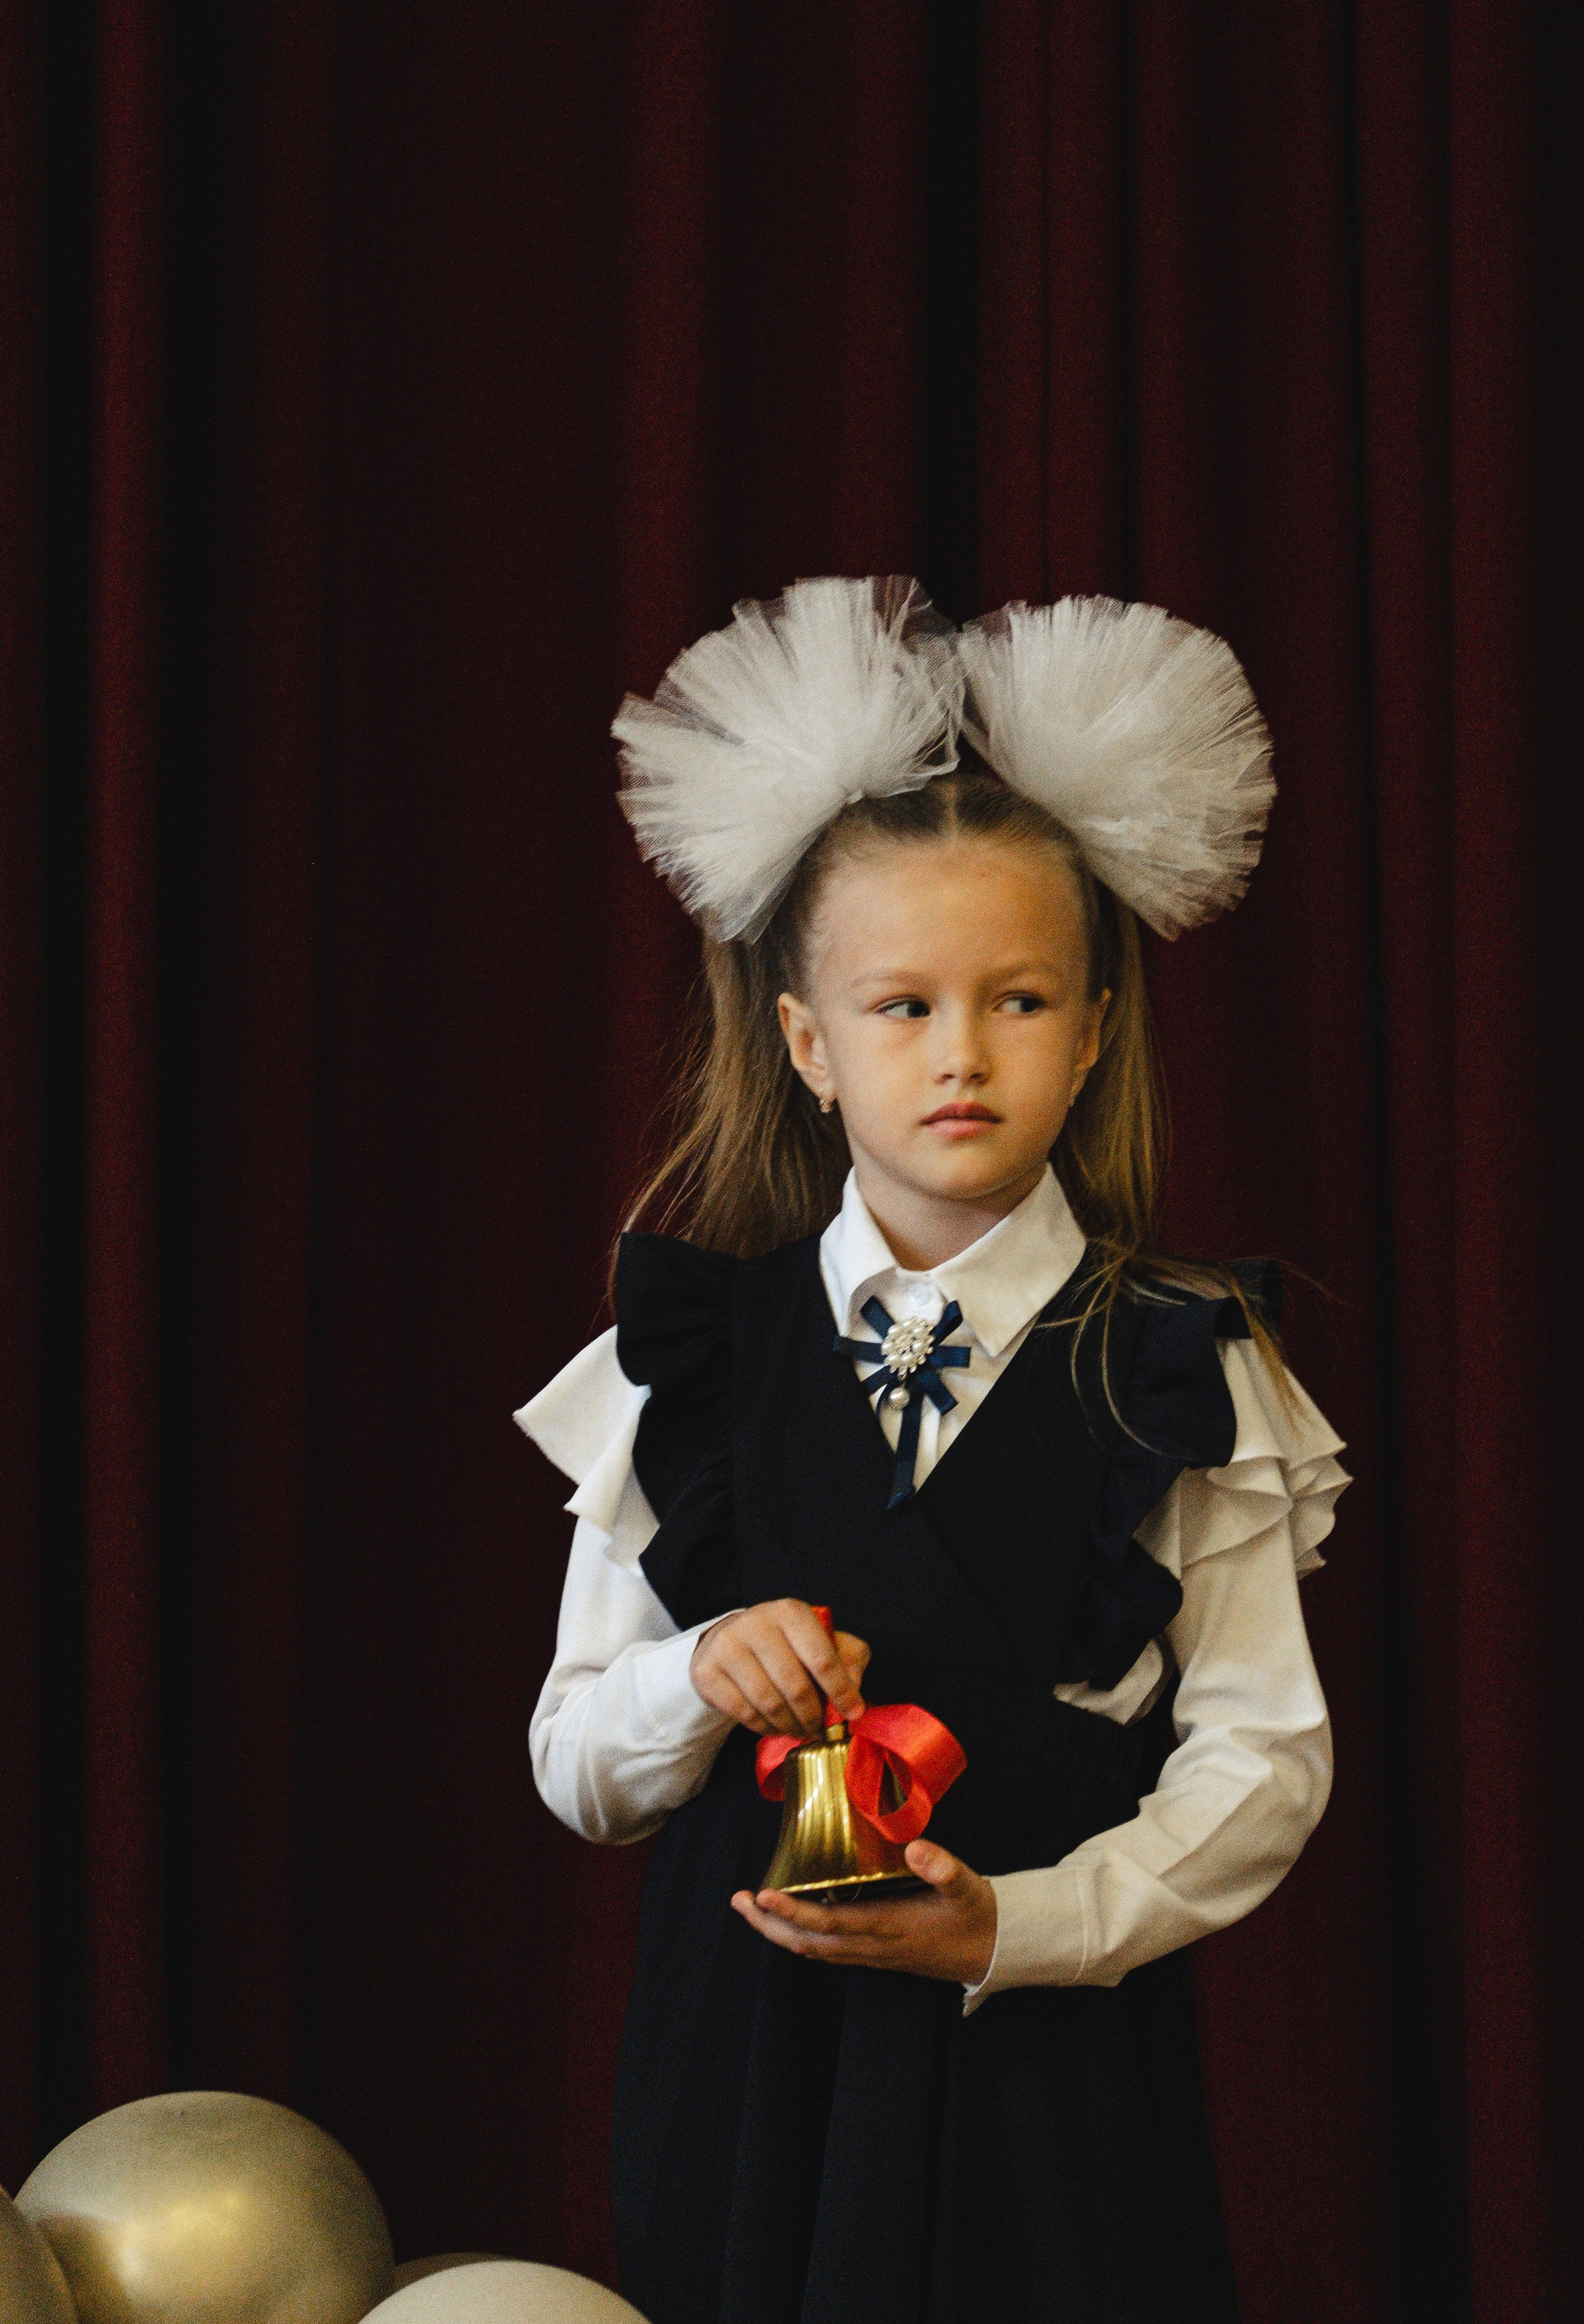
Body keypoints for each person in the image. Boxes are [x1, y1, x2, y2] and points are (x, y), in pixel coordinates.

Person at [519, 576, 1351, 2324]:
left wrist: (1017, 1929)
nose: (962, 1054)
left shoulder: (1182, 1365)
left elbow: (1263, 1756)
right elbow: (575, 1764)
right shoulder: (687, 1365)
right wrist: (694, 1675)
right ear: (809, 1045)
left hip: (1056, 2096)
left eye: (1021, 1001)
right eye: (902, 1007)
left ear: (1097, 1027)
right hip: (741, 2087)